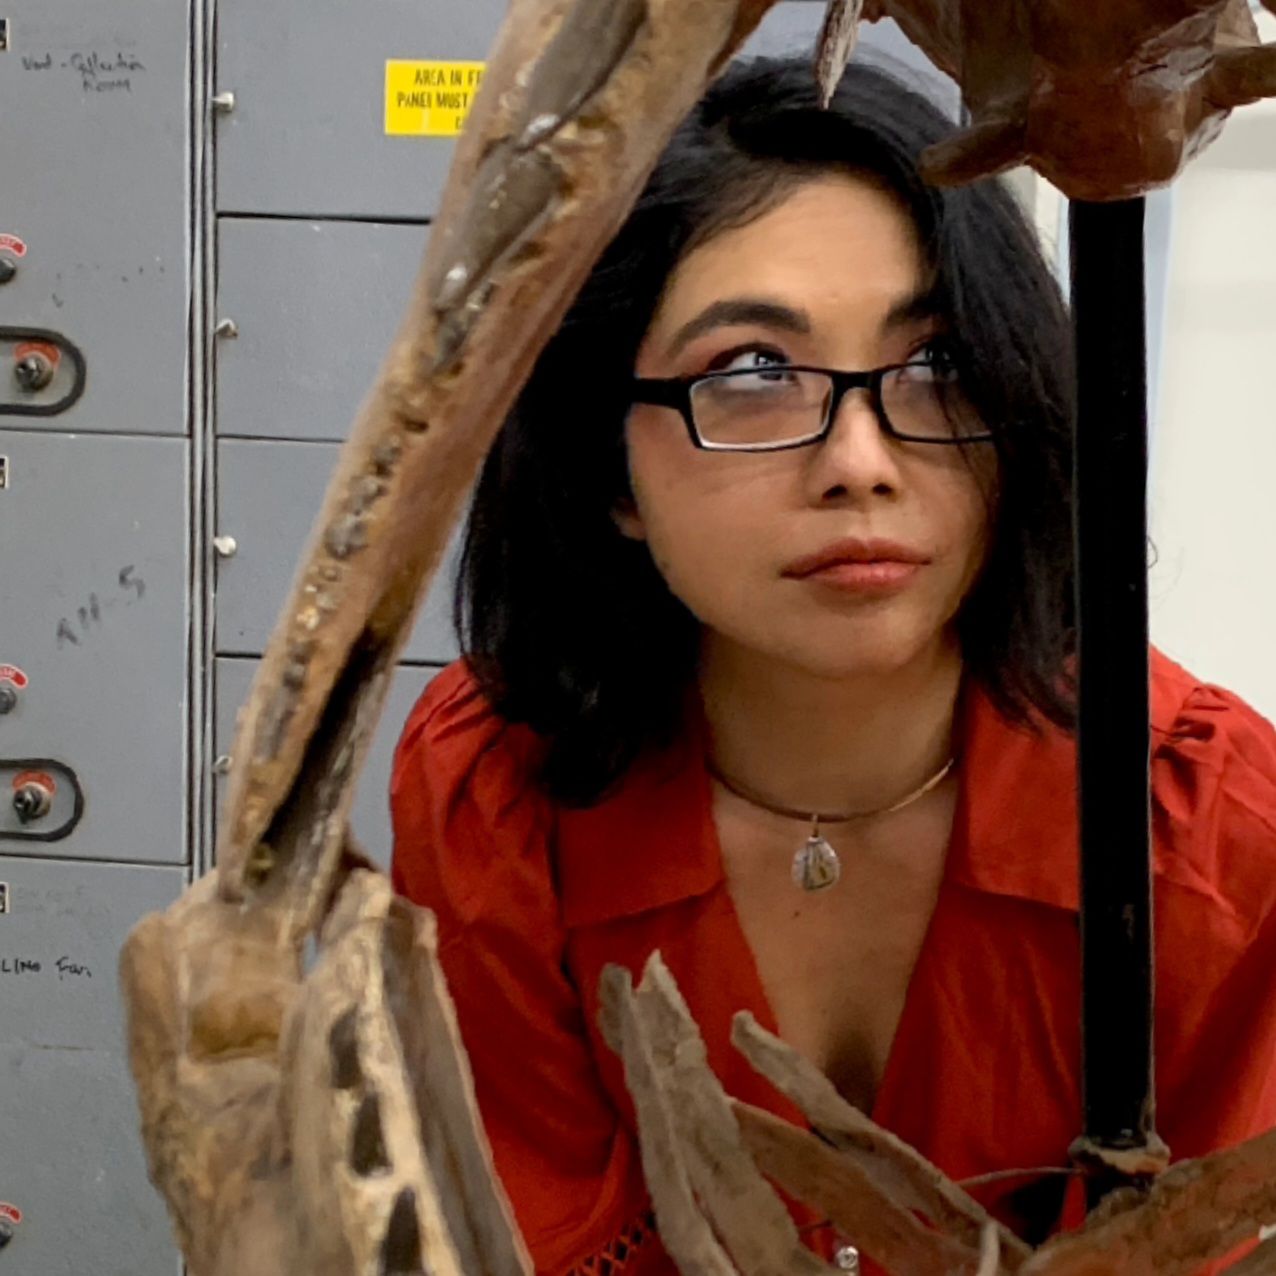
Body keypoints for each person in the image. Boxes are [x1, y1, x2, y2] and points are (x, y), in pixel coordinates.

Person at [390, 54, 1276, 1275]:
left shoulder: (1207, 823)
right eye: (751, 371)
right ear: (609, 471)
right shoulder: (500, 792)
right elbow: (510, 1236)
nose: (860, 459)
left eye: (940, 364)